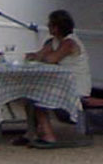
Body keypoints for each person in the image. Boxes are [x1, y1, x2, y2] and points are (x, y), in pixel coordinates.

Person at [21, 8, 90, 147]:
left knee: (38, 97)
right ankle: (32, 131)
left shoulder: (69, 43)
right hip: (62, 83)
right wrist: (35, 56)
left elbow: (51, 59)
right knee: (27, 94)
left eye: (51, 24)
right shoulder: (53, 41)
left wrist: (39, 57)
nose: (48, 26)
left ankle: (48, 135)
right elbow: (38, 55)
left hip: (76, 85)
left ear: (57, 27)